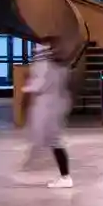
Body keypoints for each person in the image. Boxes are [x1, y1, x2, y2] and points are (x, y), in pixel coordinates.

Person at [21, 37, 76, 189]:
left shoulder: (45, 66)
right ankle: (63, 175)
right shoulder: (60, 66)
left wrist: (27, 87)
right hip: (56, 105)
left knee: (55, 141)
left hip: (49, 107)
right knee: (53, 140)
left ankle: (65, 176)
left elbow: (39, 85)